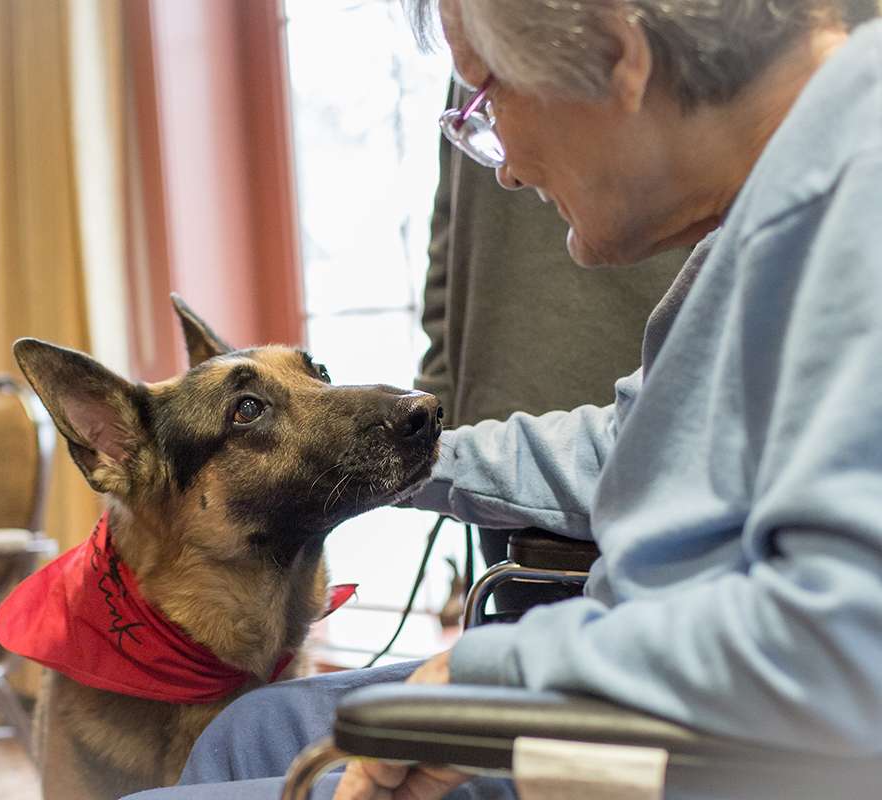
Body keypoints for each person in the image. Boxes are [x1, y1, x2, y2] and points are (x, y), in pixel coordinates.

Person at [126, 1, 882, 798]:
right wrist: (410, 457)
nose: (505, 168)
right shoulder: (772, 213)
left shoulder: (851, 220)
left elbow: (842, 645)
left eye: (487, 99)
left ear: (619, 57)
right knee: (250, 733)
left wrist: (508, 673)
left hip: (687, 751)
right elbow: (643, 444)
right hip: (643, 677)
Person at [416, 79, 686, 611]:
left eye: (495, 100)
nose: (508, 172)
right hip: (506, 414)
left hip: (622, 392)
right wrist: (424, 426)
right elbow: (453, 222)